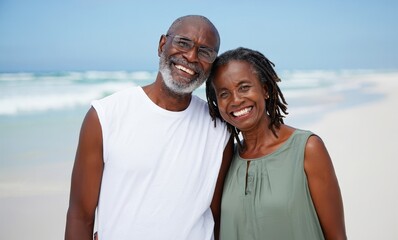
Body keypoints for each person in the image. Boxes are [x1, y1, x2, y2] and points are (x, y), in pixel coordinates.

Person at [65, 15, 233, 240]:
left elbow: (219, 217)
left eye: (205, 52)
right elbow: (80, 215)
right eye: (183, 43)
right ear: (162, 45)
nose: (191, 56)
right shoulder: (105, 116)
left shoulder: (219, 131)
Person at [206, 47, 347, 240]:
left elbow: (337, 237)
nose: (236, 100)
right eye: (224, 94)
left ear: (265, 89)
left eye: (244, 87)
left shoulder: (307, 149)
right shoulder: (225, 159)